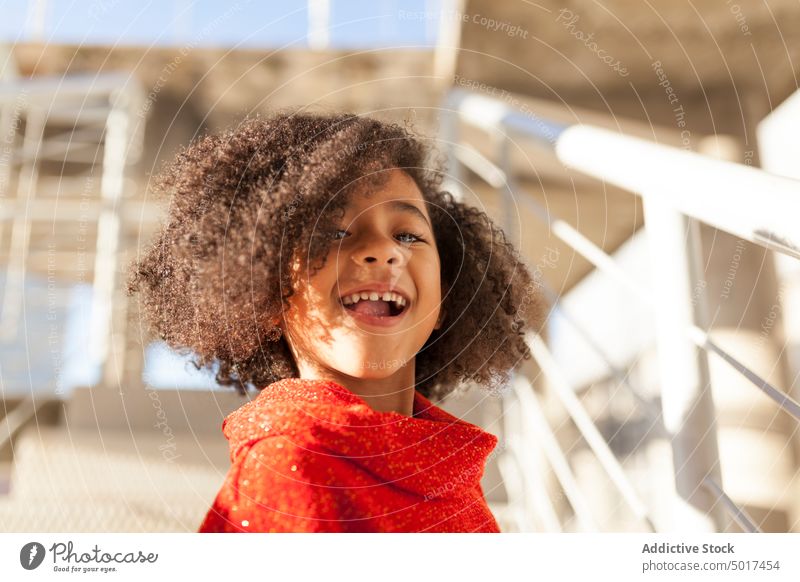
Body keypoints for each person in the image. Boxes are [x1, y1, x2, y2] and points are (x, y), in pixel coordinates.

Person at [127, 112, 545, 532]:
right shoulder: (287, 464)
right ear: (267, 295)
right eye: (332, 231)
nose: (383, 250)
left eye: (407, 235)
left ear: (447, 301)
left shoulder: (454, 466)